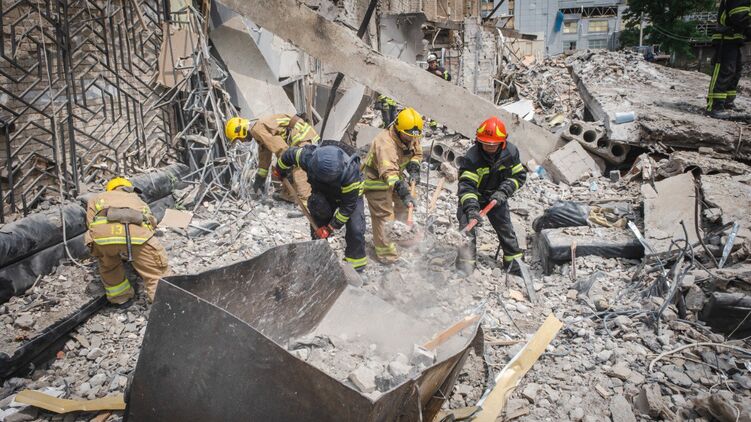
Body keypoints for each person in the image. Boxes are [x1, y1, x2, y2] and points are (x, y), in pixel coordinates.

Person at [277, 143, 367, 271]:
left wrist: (330, 227)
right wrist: (279, 170)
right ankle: (318, 259)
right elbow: (288, 155)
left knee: (355, 229)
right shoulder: (307, 157)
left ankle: (355, 267)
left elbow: (347, 207)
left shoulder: (350, 173)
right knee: (317, 209)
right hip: (324, 193)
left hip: (350, 197)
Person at [455, 117, 526, 275]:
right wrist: (472, 209)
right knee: (467, 232)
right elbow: (466, 187)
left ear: (502, 142)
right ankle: (465, 266)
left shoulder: (511, 153)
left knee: (505, 229)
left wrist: (504, 191)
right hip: (474, 197)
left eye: (492, 144)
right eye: (485, 143)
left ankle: (514, 264)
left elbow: (519, 176)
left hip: (497, 197)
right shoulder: (472, 158)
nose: (488, 147)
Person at [85, 177, 170, 306]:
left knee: (109, 266)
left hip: (103, 238)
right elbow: (151, 222)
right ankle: (165, 304)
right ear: (128, 189)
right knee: (155, 272)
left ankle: (121, 299)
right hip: (136, 236)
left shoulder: (97, 198)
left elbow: (90, 223)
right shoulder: (136, 199)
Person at [361, 108, 423, 264]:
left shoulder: (410, 134)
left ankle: (401, 237)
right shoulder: (385, 143)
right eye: (407, 136)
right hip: (376, 179)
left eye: (413, 137)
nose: (411, 140)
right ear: (397, 128)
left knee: (404, 205)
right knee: (385, 216)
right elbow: (390, 175)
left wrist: (414, 168)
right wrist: (404, 192)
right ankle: (387, 255)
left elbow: (416, 152)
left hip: (396, 174)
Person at [225, 114, 320, 202]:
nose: (242, 141)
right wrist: (261, 175)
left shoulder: (257, 129)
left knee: (297, 166)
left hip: (302, 135)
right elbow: (265, 152)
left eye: (239, 139)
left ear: (241, 131)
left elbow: (280, 148)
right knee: (282, 167)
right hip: (298, 135)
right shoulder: (257, 130)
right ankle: (290, 195)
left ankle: (305, 202)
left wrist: (287, 164)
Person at [706, 0, 750, 118]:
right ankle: (714, 106)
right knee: (724, 71)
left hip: (734, 39)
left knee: (735, 72)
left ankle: (727, 102)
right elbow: (739, 17)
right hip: (725, 38)